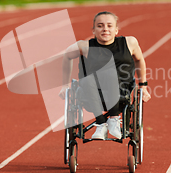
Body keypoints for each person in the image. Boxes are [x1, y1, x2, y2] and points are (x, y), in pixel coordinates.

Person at [59, 11, 151, 140]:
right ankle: (101, 123)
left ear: (116, 30)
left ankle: (113, 119)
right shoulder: (84, 47)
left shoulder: (129, 43)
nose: (105, 29)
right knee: (86, 80)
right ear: (93, 30)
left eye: (109, 26)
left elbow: (139, 60)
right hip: (92, 93)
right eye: (100, 26)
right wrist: (64, 86)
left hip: (121, 92)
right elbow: (66, 56)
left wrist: (143, 86)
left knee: (110, 71)